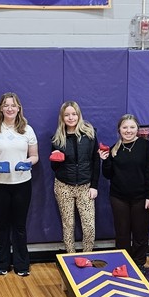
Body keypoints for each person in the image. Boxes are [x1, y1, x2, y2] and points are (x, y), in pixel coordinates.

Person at [0, 92, 38, 276]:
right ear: (1, 109)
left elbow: (35, 156)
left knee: (19, 226)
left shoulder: (27, 129)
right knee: (2, 225)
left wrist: (29, 162)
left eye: (13, 105)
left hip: (22, 183)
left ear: (19, 108)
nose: (10, 108)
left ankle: (22, 265)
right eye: (6, 105)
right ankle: (1, 264)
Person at [98, 114, 149, 270]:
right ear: (119, 130)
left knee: (140, 233)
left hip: (141, 197)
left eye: (132, 127)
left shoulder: (148, 148)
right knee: (122, 233)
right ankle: (123, 263)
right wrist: (105, 161)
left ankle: (139, 264)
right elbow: (108, 175)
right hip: (119, 198)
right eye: (125, 127)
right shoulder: (114, 149)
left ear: (137, 129)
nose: (128, 130)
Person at [50, 100, 100, 254]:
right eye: (67, 115)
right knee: (68, 224)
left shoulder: (89, 134)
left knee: (89, 225)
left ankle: (88, 255)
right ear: (62, 117)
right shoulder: (57, 138)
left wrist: (94, 186)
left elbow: (96, 161)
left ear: (79, 115)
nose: (71, 118)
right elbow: (54, 168)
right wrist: (56, 159)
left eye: (73, 114)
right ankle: (70, 256)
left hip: (85, 186)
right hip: (63, 185)